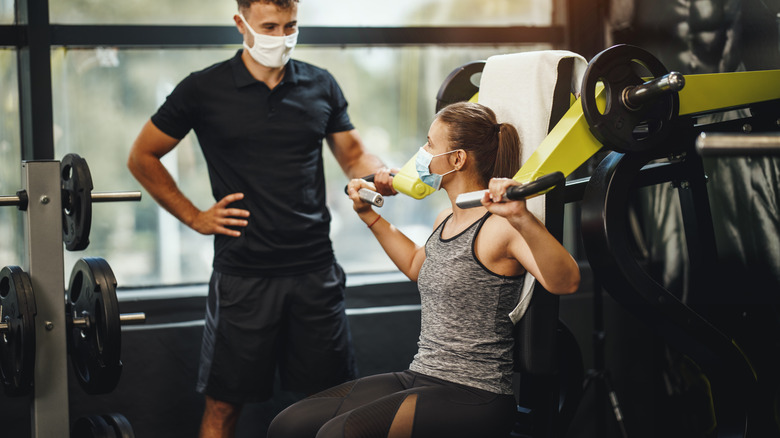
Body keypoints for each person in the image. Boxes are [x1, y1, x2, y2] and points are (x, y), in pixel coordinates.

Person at [126, 0, 394, 437]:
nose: (282, 36)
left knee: (332, 403)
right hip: (244, 276)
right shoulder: (201, 89)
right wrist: (194, 216)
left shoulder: (320, 84)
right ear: (241, 23)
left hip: (314, 270)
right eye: (270, 26)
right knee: (223, 407)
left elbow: (354, 154)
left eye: (291, 25)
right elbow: (142, 156)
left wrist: (377, 173)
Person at [266, 101, 581, 438]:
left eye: (430, 144)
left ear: (457, 159)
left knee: (338, 434)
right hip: (422, 374)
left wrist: (521, 216)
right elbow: (419, 265)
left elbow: (567, 281)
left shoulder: (500, 226)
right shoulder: (445, 218)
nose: (422, 152)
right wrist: (370, 216)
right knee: (289, 425)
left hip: (475, 392)